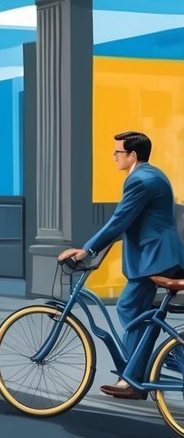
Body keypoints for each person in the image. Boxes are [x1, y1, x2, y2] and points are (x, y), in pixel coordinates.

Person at [60, 131, 184, 399]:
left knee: (128, 308)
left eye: (118, 152)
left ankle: (134, 378)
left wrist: (87, 249)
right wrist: (99, 248)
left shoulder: (140, 180)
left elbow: (119, 220)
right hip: (160, 254)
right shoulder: (150, 174)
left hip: (155, 258)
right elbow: (128, 222)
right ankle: (138, 371)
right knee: (140, 315)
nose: (114, 157)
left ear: (132, 155)